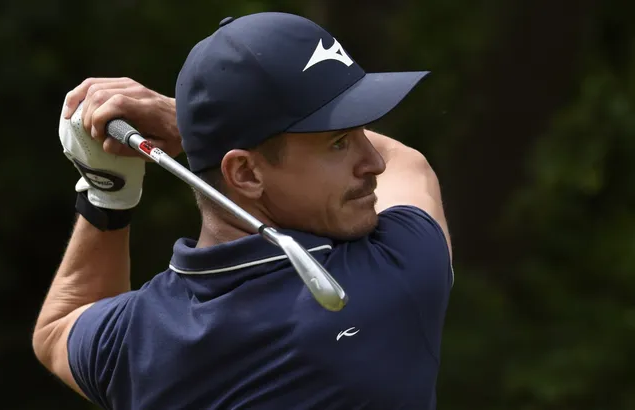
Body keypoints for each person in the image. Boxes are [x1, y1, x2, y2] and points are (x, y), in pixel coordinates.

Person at [32, 11, 453, 410]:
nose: (373, 163)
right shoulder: (395, 276)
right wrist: (183, 122)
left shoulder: (132, 338)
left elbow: (57, 328)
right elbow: (408, 164)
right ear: (246, 173)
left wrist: (109, 193)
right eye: (339, 143)